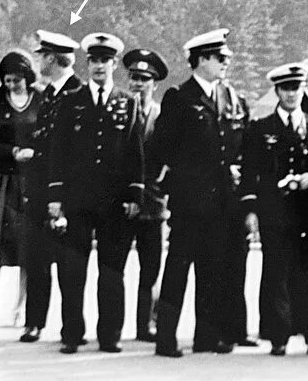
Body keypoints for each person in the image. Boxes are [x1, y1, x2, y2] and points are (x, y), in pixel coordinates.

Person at [149, 28, 252, 357]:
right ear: (201, 60)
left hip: (222, 203)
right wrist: (175, 186)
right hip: (189, 203)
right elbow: (159, 150)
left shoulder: (232, 97)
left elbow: (240, 150)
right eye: (220, 58)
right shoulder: (179, 98)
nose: (226, 63)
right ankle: (165, 338)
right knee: (178, 270)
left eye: (227, 58)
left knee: (212, 271)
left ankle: (206, 336)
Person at [47, 32, 143, 354]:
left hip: (114, 203)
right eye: (94, 60)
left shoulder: (127, 103)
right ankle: (72, 334)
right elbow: (57, 150)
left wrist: (134, 194)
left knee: (112, 272)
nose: (99, 66)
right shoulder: (71, 101)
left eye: (106, 60)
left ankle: (110, 336)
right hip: (77, 200)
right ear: (88, 64)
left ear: (115, 64)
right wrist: (56, 197)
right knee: (73, 271)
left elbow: (134, 153)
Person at [239, 63, 308, 358]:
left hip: (305, 211)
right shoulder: (262, 128)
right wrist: (251, 210)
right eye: (286, 88)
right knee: (276, 271)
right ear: (278, 91)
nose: (292, 94)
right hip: (274, 209)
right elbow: (250, 172)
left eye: (296, 88)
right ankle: (278, 336)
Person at [18, 30, 82, 344]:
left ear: (53, 58)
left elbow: (73, 152)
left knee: (69, 267)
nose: (39, 61)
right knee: (36, 260)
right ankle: (34, 322)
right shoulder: (49, 95)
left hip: (66, 196)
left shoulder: (78, 94)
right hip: (39, 192)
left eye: (42, 55)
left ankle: (72, 329)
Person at [0, 51, 40, 332]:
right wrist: (13, 152)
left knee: (28, 251)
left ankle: (20, 310)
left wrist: (35, 153)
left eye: (16, 79)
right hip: (3, 180)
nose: (11, 85)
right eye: (7, 80)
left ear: (27, 77)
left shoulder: (40, 98)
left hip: (31, 183)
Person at [119, 48, 170, 343]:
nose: (137, 85)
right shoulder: (118, 111)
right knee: (115, 266)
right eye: (134, 79)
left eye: (144, 79)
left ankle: (145, 325)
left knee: (151, 269)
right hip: (123, 201)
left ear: (155, 83)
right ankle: (113, 326)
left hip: (153, 200)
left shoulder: (163, 116)